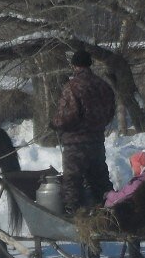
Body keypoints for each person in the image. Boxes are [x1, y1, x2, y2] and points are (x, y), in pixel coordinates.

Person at [50, 49, 116, 214]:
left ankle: (74, 218)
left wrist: (55, 123)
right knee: (100, 181)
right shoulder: (104, 86)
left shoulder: (72, 87)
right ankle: (110, 212)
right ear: (89, 65)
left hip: (75, 144)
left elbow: (68, 116)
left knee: (73, 182)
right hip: (97, 143)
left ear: (74, 66)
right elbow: (109, 114)